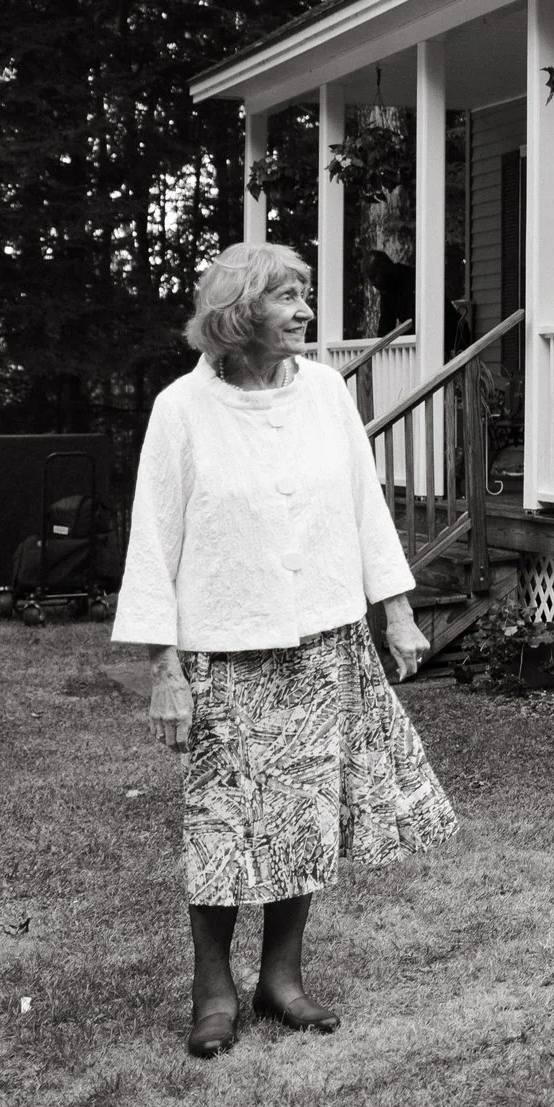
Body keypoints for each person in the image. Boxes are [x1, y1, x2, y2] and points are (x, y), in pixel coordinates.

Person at [113, 241, 457, 1057]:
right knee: (224, 824)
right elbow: (153, 539)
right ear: (238, 313)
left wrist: (398, 610)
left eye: (305, 294)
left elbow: (365, 505)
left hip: (320, 641)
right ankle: (212, 993)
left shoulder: (328, 394)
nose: (305, 311)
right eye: (286, 297)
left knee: (303, 815)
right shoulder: (181, 410)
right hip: (227, 649)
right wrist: (163, 667)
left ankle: (281, 980)